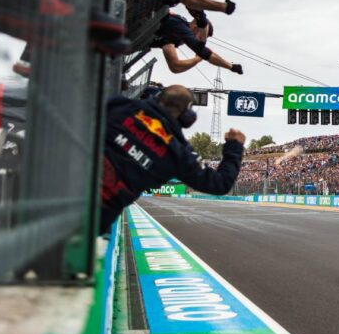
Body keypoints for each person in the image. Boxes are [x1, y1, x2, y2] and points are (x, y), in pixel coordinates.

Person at [100, 85, 245, 233]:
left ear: (156, 98)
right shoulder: (178, 152)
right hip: (93, 219)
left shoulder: (120, 105)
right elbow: (220, 183)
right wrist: (235, 146)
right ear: (187, 115)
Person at [153, 12, 243, 75]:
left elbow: (175, 67)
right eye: (201, 37)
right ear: (196, 28)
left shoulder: (174, 35)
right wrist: (198, 58)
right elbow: (176, 66)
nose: (200, 41)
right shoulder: (181, 28)